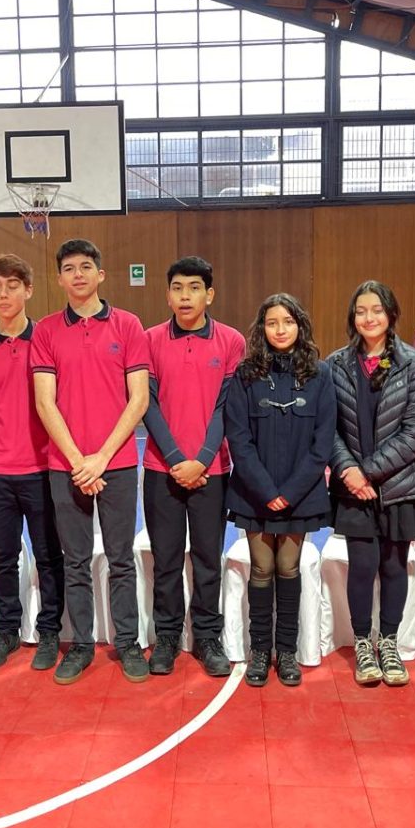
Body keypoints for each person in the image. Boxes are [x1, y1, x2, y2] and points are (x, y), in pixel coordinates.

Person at [31, 239, 150, 685]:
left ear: (101, 275)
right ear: (59, 279)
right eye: (69, 268)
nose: (78, 274)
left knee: (121, 559)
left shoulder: (128, 325)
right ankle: (80, 645)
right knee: (74, 560)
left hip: (116, 463)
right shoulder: (45, 331)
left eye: (86, 266)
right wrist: (79, 460)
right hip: (66, 467)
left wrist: (101, 457)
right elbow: (46, 404)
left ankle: (127, 643)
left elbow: (138, 399)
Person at [225, 293, 336, 687]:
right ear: (262, 329)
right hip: (254, 492)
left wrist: (288, 493)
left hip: (300, 494)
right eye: (272, 322)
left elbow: (323, 443)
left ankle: (286, 651)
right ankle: (260, 651)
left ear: (299, 326)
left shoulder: (321, 376)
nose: (280, 329)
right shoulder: (245, 375)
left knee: (288, 567)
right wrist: (266, 489)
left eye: (287, 322)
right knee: (261, 567)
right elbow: (238, 438)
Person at [142, 256, 245, 677]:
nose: (186, 296)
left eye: (194, 288)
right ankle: (166, 636)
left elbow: (226, 407)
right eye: (178, 288)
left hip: (212, 472)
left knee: (207, 559)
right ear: (167, 295)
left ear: (210, 294)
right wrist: (174, 460)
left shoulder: (232, 341)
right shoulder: (148, 340)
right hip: (159, 470)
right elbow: (145, 402)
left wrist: (201, 459)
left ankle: (206, 636)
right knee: (165, 559)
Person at [328, 281, 415, 687]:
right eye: (360, 311)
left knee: (393, 566)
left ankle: (388, 643)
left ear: (391, 314)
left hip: (400, 485)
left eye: (376, 310)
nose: (368, 318)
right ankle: (361, 643)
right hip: (352, 487)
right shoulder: (335, 365)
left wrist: (367, 472)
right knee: (362, 566)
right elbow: (329, 429)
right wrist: (349, 472)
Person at [0, 254, 64, 671]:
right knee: (3, 556)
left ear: (28, 290)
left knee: (48, 555)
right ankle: (7, 630)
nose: (3, 294)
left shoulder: (49, 340)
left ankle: (50, 631)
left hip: (42, 468)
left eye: (11, 286)